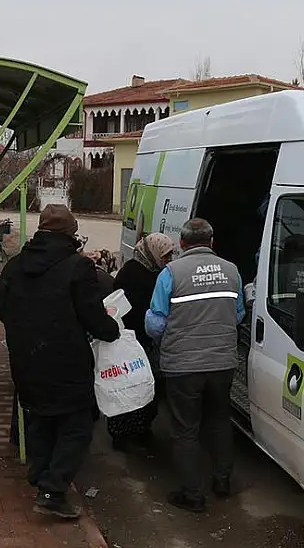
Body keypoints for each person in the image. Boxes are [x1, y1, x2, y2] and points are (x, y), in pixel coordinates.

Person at [0, 204, 120, 519]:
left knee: (38, 418)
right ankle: (52, 491)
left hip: (25, 358)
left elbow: (2, 310)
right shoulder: (78, 268)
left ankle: (41, 477)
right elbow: (93, 317)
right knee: (77, 426)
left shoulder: (14, 266)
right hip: (66, 362)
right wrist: (111, 329)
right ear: (71, 233)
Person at [145, 218, 245, 513]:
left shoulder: (170, 273)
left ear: (183, 244)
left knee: (186, 430)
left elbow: (155, 323)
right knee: (218, 421)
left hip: (183, 367)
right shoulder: (232, 271)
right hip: (222, 363)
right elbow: (237, 314)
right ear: (211, 242)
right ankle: (222, 481)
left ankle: (192, 494)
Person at [105, 233, 175, 449]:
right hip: (129, 342)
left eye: (170, 255)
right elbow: (125, 310)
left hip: (146, 342)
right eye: (165, 256)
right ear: (152, 253)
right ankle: (123, 435)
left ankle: (141, 429)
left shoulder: (156, 274)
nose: (168, 260)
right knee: (128, 389)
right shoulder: (131, 274)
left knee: (146, 389)